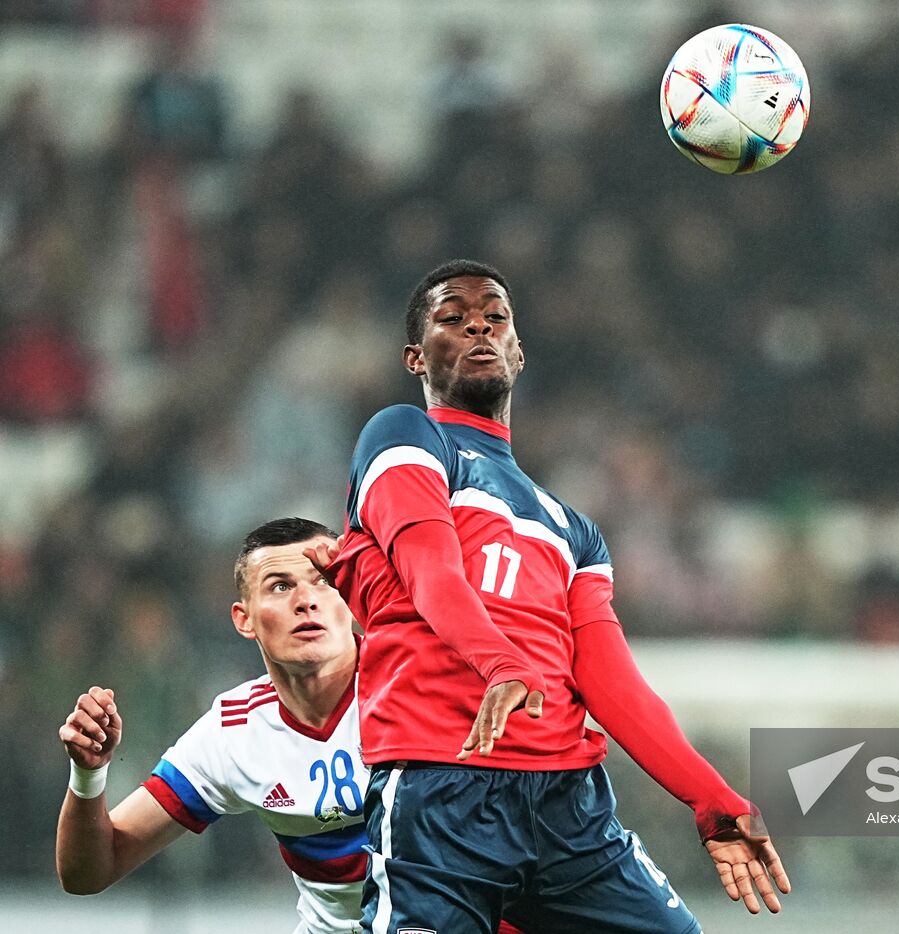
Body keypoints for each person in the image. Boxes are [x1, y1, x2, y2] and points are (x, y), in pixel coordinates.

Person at [311, 259, 789, 934]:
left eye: (495, 317)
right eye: (452, 317)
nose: (478, 323)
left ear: (519, 352)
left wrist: (710, 797)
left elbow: (610, 681)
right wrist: (500, 662)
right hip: (440, 784)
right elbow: (430, 570)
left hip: (569, 805)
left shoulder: (573, 528)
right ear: (416, 357)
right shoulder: (403, 435)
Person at [56, 517, 368, 934]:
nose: (306, 600)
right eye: (280, 585)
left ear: (352, 594)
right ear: (245, 619)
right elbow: (88, 873)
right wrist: (88, 774)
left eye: (324, 581)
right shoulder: (234, 732)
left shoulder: (424, 684)